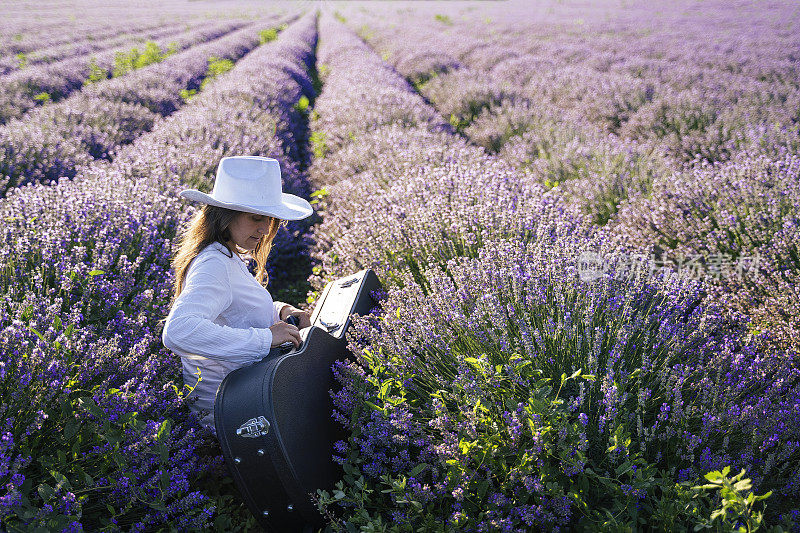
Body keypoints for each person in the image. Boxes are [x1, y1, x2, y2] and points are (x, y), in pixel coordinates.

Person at [162, 155, 313, 430]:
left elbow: (234, 310)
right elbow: (179, 331)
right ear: (225, 215)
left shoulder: (225, 255)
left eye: (269, 219)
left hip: (246, 395)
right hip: (231, 414)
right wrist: (265, 338)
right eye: (256, 218)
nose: (266, 228)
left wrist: (282, 311)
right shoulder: (214, 263)